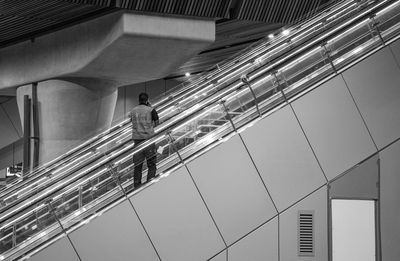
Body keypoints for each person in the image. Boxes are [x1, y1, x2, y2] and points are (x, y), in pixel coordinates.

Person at [130, 92, 159, 187]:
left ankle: (137, 185)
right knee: (151, 163)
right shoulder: (151, 110)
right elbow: (157, 122)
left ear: (139, 100)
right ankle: (149, 183)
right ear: (147, 100)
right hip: (148, 139)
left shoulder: (133, 110)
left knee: (137, 165)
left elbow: (132, 121)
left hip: (137, 140)